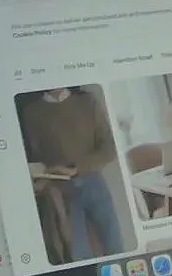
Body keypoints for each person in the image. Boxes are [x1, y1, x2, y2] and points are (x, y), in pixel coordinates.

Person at [16, 86, 128, 263]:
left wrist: (77, 168)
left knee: (115, 246)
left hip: (94, 182)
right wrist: (45, 178)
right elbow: (35, 158)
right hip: (61, 190)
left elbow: (109, 148)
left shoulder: (87, 101)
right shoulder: (32, 112)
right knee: (79, 254)